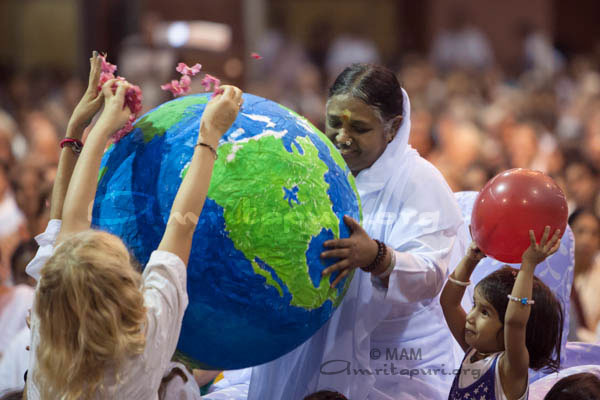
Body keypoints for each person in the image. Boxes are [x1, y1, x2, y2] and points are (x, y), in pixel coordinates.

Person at [23, 51, 243, 399]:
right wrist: (210, 133)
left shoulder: (47, 330)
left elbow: (69, 222)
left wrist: (83, 128)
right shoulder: (142, 343)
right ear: (125, 291)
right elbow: (180, 226)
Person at [248, 63, 466, 399]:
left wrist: (377, 257)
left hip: (393, 370)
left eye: (359, 128)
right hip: (304, 345)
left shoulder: (420, 182)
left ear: (393, 128)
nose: (342, 137)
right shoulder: (310, 168)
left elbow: (430, 274)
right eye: (334, 122)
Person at [441, 227, 564, 400]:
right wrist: (471, 259)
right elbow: (449, 303)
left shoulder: (510, 369)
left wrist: (528, 265)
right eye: (475, 305)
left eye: (485, 312)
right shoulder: (473, 352)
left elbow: (515, 322)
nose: (470, 317)